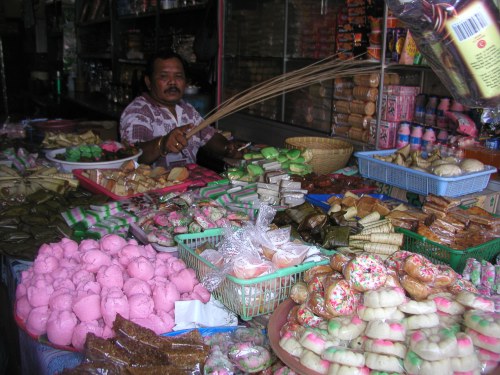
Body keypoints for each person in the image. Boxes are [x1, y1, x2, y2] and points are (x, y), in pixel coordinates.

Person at [120, 51, 242, 167]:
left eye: (178, 76)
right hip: (154, 186)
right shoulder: (138, 112)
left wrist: (227, 148)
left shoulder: (187, 109)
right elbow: (133, 155)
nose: (172, 82)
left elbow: (209, 136)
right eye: (164, 76)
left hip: (189, 183)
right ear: (148, 82)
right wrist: (162, 144)